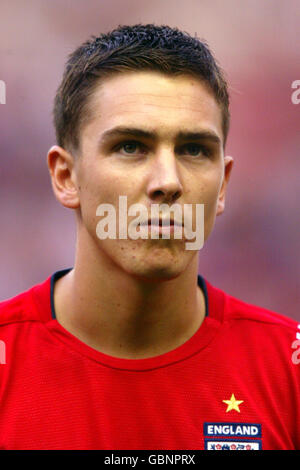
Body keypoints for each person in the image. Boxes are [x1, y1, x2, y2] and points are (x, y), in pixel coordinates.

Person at [0, 24, 299, 451]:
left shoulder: (289, 370)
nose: (167, 182)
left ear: (224, 186)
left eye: (194, 149)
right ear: (66, 177)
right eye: (130, 146)